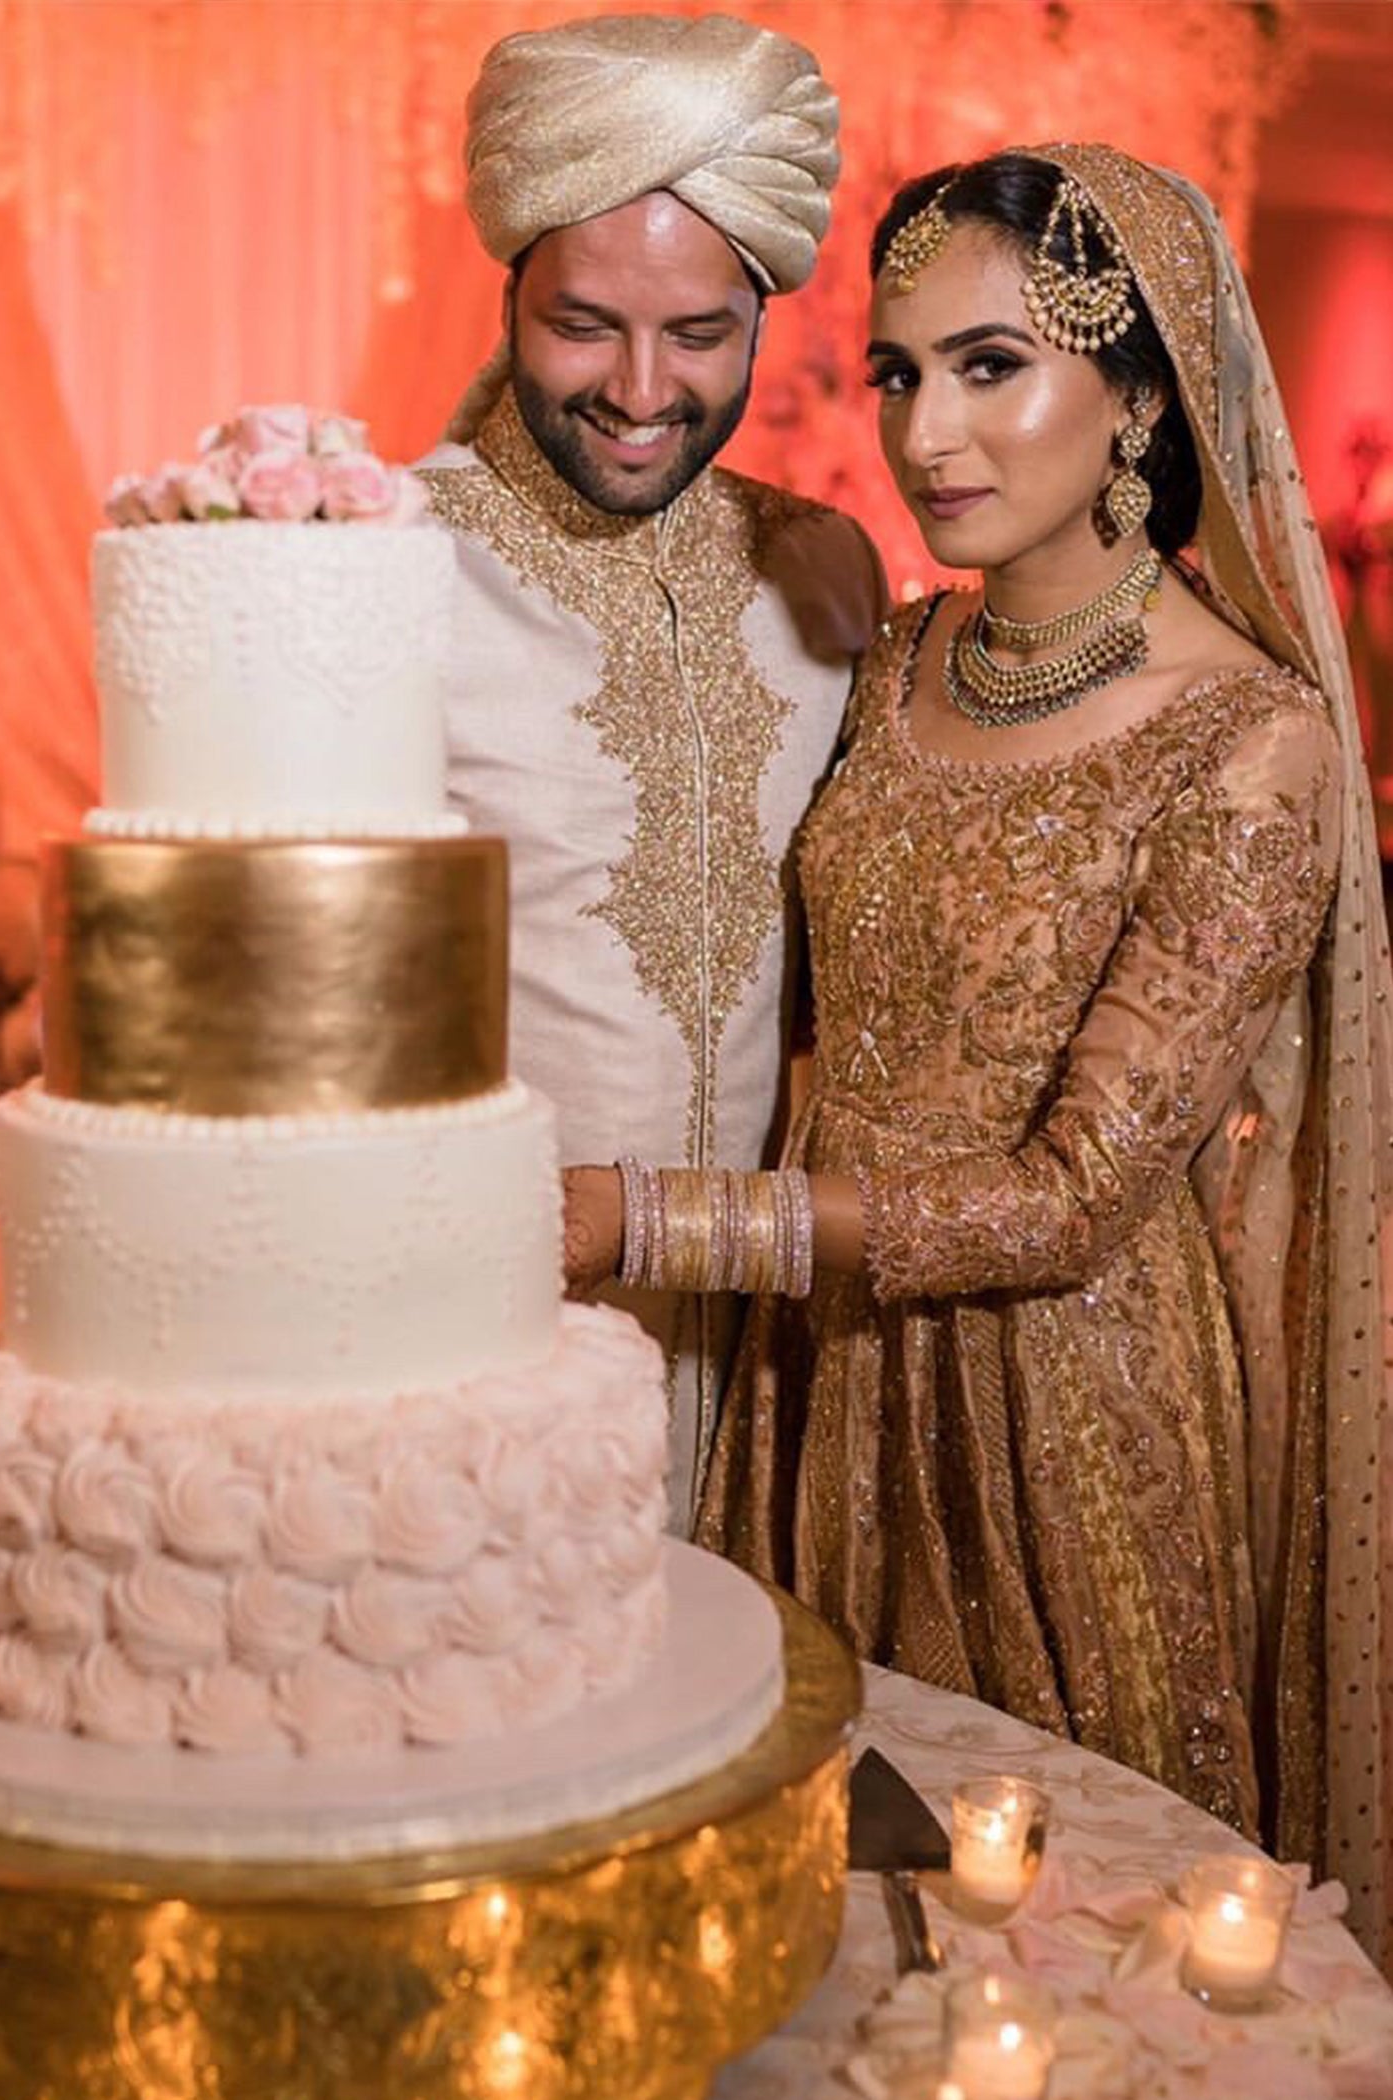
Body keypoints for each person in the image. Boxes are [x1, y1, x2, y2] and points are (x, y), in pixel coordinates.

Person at [563, 145, 1393, 1966]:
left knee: (1066, 1950)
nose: (923, 433)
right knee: (808, 1931)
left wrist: (649, 1220)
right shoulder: (898, 657)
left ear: (1140, 396)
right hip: (823, 1366)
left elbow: (1073, 1201)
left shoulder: (1244, 743)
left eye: (990, 366)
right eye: (898, 371)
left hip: (1056, 1410)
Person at [416, 13, 885, 1531]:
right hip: (473, 1356)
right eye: (584, 323)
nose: (639, 387)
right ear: (509, 295)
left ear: (764, 317)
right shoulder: (382, 561)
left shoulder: (823, 569)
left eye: (698, 334)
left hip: (770, 1366)